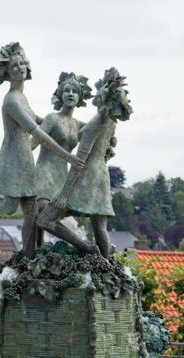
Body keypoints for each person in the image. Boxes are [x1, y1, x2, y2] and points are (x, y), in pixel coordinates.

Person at [0, 43, 84, 257]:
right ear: (7, 72)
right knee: (8, 207)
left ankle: (28, 256)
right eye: (15, 66)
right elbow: (37, 132)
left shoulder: (22, 97)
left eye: (23, 63)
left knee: (31, 215)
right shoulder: (11, 100)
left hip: (25, 159)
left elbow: (41, 121)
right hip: (13, 159)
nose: (21, 68)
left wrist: (67, 122)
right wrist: (67, 155)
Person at [36, 67, 133, 258]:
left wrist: (64, 194)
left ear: (104, 96)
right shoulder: (110, 122)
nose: (94, 96)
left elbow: (79, 161)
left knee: (44, 220)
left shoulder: (95, 124)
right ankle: (106, 266)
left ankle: (86, 247)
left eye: (98, 92)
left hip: (86, 177)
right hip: (101, 176)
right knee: (99, 226)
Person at [32, 72, 92, 245]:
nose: (71, 94)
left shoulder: (78, 125)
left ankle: (81, 246)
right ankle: (36, 252)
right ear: (60, 94)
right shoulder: (52, 118)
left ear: (80, 97)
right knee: (41, 212)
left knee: (55, 217)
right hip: (45, 172)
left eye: (75, 91)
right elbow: (34, 142)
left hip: (63, 176)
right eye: (67, 90)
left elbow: (97, 131)